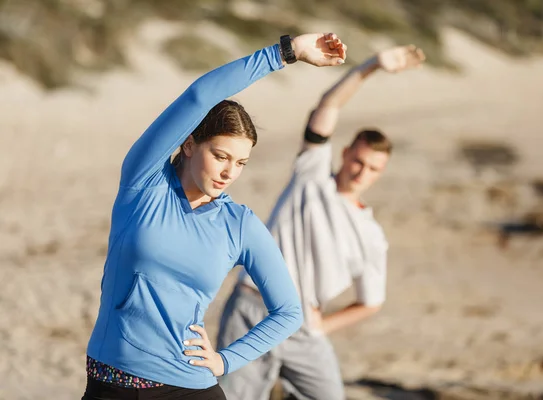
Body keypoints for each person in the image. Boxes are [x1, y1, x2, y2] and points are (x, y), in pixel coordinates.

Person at [82, 33, 348, 400]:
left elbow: (288, 311)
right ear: (189, 144)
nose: (229, 172)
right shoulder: (144, 185)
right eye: (220, 156)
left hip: (190, 386)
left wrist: (226, 360)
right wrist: (286, 53)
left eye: (240, 163)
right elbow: (199, 97)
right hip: (112, 385)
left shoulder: (238, 224)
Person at [217, 45, 426, 400]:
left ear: (382, 173)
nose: (362, 172)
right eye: (358, 161)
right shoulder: (311, 176)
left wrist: (323, 325)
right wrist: (372, 65)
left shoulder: (371, 235)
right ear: (345, 154)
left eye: (373, 168)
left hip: (303, 327)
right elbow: (328, 106)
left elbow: (371, 301)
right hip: (252, 311)